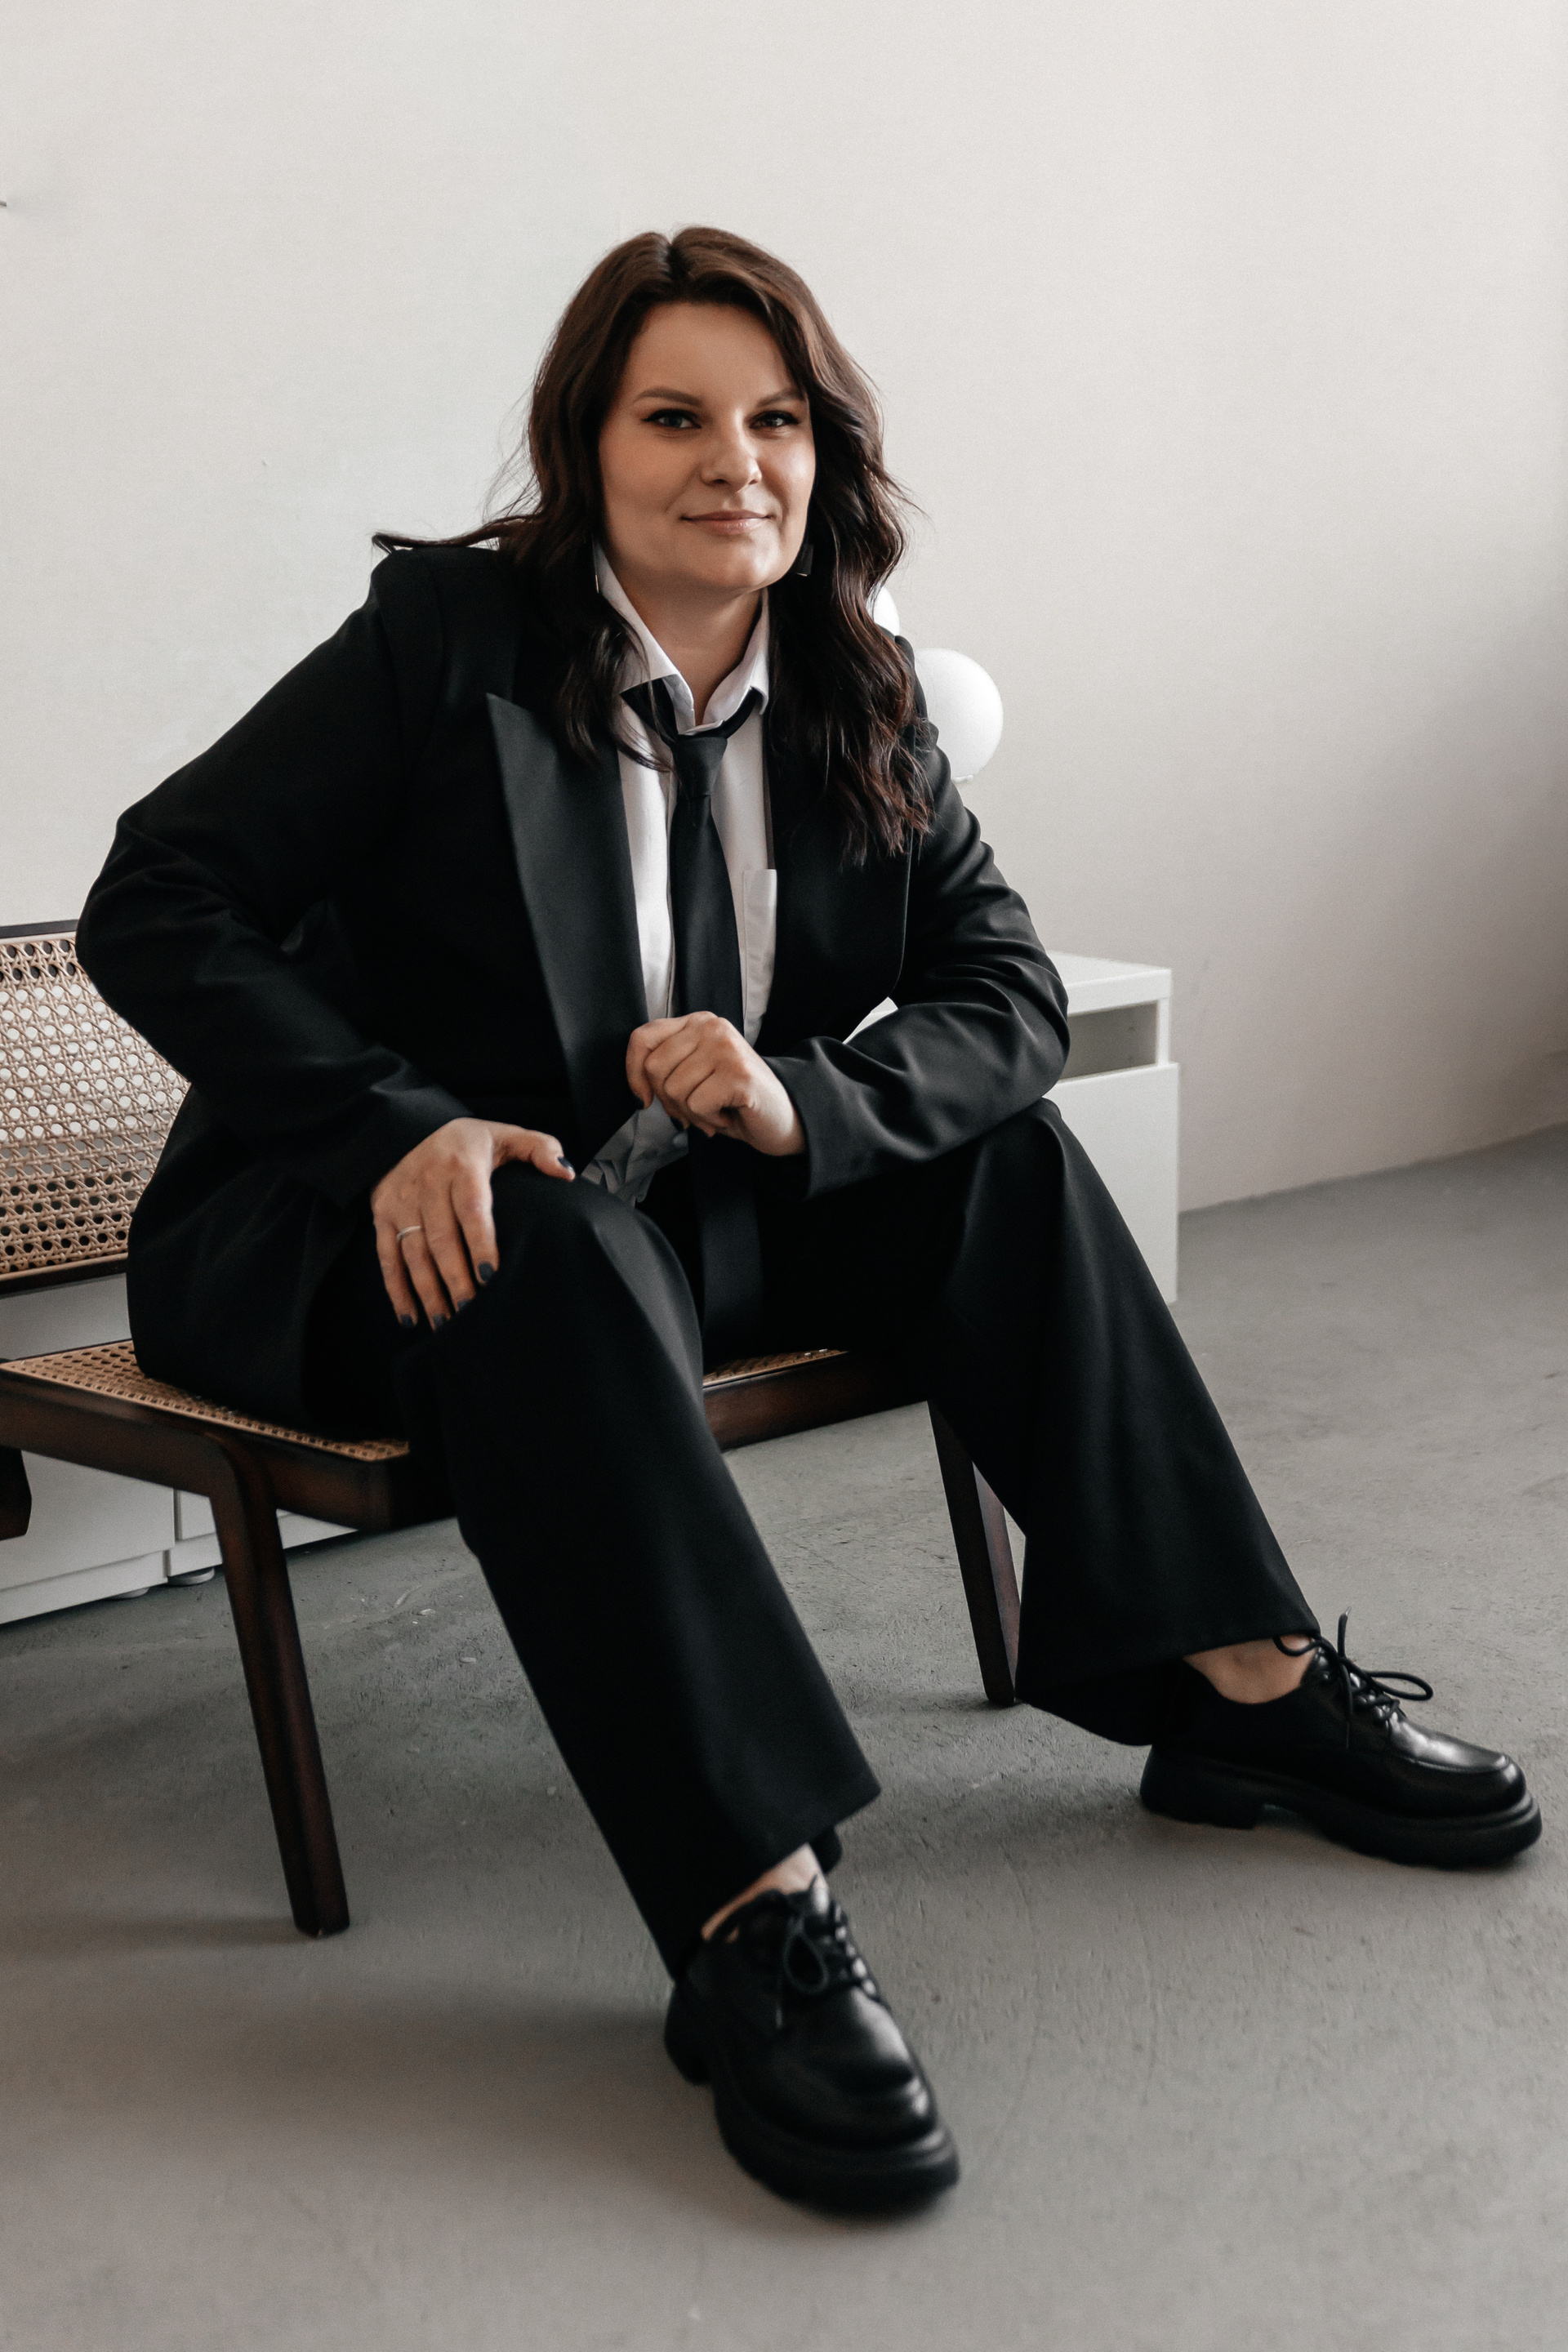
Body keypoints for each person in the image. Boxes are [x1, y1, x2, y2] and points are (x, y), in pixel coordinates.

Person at [78, 226, 1540, 2215]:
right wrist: (391, 1127)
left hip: (661, 1230)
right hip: (387, 1253)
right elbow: (161, 895)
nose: (733, 463)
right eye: (674, 417)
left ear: (824, 451)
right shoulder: (444, 645)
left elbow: (1005, 996)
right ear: (587, 444)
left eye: (775, 420)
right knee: (551, 1243)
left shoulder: (858, 680)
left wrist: (803, 1100)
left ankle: (1243, 1688)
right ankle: (752, 1911)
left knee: (1004, 1156)